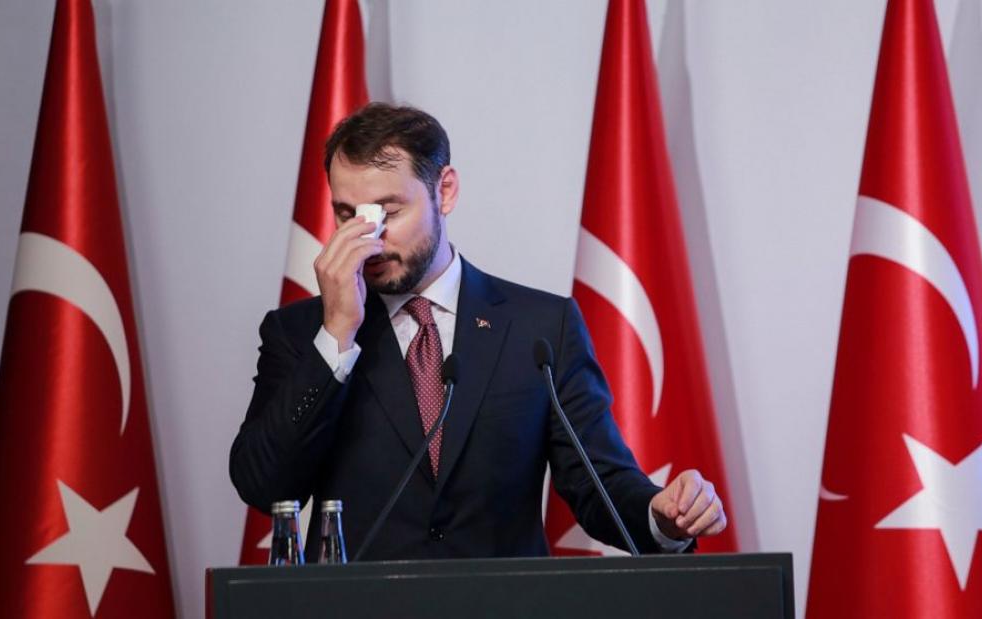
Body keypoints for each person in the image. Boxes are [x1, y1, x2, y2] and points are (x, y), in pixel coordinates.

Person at [230, 103, 726, 561]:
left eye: (389, 212)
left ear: (444, 191)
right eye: (347, 214)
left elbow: (599, 484)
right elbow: (264, 486)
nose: (370, 238)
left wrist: (662, 517)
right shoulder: (300, 333)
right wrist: (336, 335)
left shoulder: (539, 328)